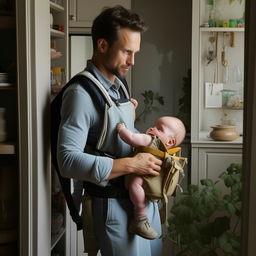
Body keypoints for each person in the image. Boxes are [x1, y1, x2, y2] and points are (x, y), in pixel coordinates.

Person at [57, 5, 163, 256]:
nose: (132, 61)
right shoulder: (80, 95)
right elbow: (67, 161)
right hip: (113, 206)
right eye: (127, 52)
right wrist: (132, 165)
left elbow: (113, 136)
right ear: (102, 45)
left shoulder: (119, 85)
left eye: (135, 52)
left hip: (139, 204)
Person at [117, 116, 186, 240]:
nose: (153, 129)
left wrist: (121, 129)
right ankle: (159, 210)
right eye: (154, 125)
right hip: (156, 187)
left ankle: (140, 215)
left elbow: (131, 138)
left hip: (143, 178)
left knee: (135, 184)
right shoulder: (171, 152)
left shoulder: (149, 139)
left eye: (159, 129)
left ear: (170, 142)